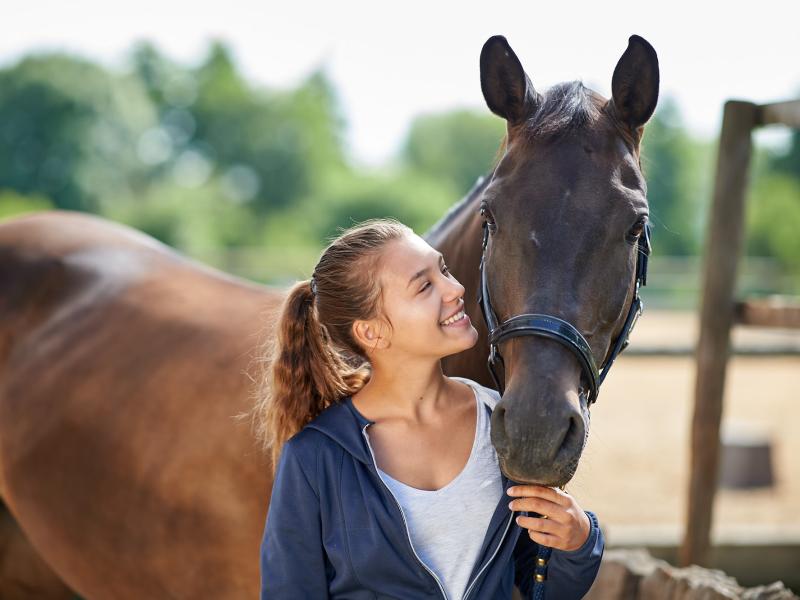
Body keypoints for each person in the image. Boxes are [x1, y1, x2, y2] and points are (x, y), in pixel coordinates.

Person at [254, 218, 604, 599]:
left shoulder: (501, 424)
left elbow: (540, 586)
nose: (455, 289)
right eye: (424, 286)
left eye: (445, 269)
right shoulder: (315, 457)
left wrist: (578, 542)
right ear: (372, 332)